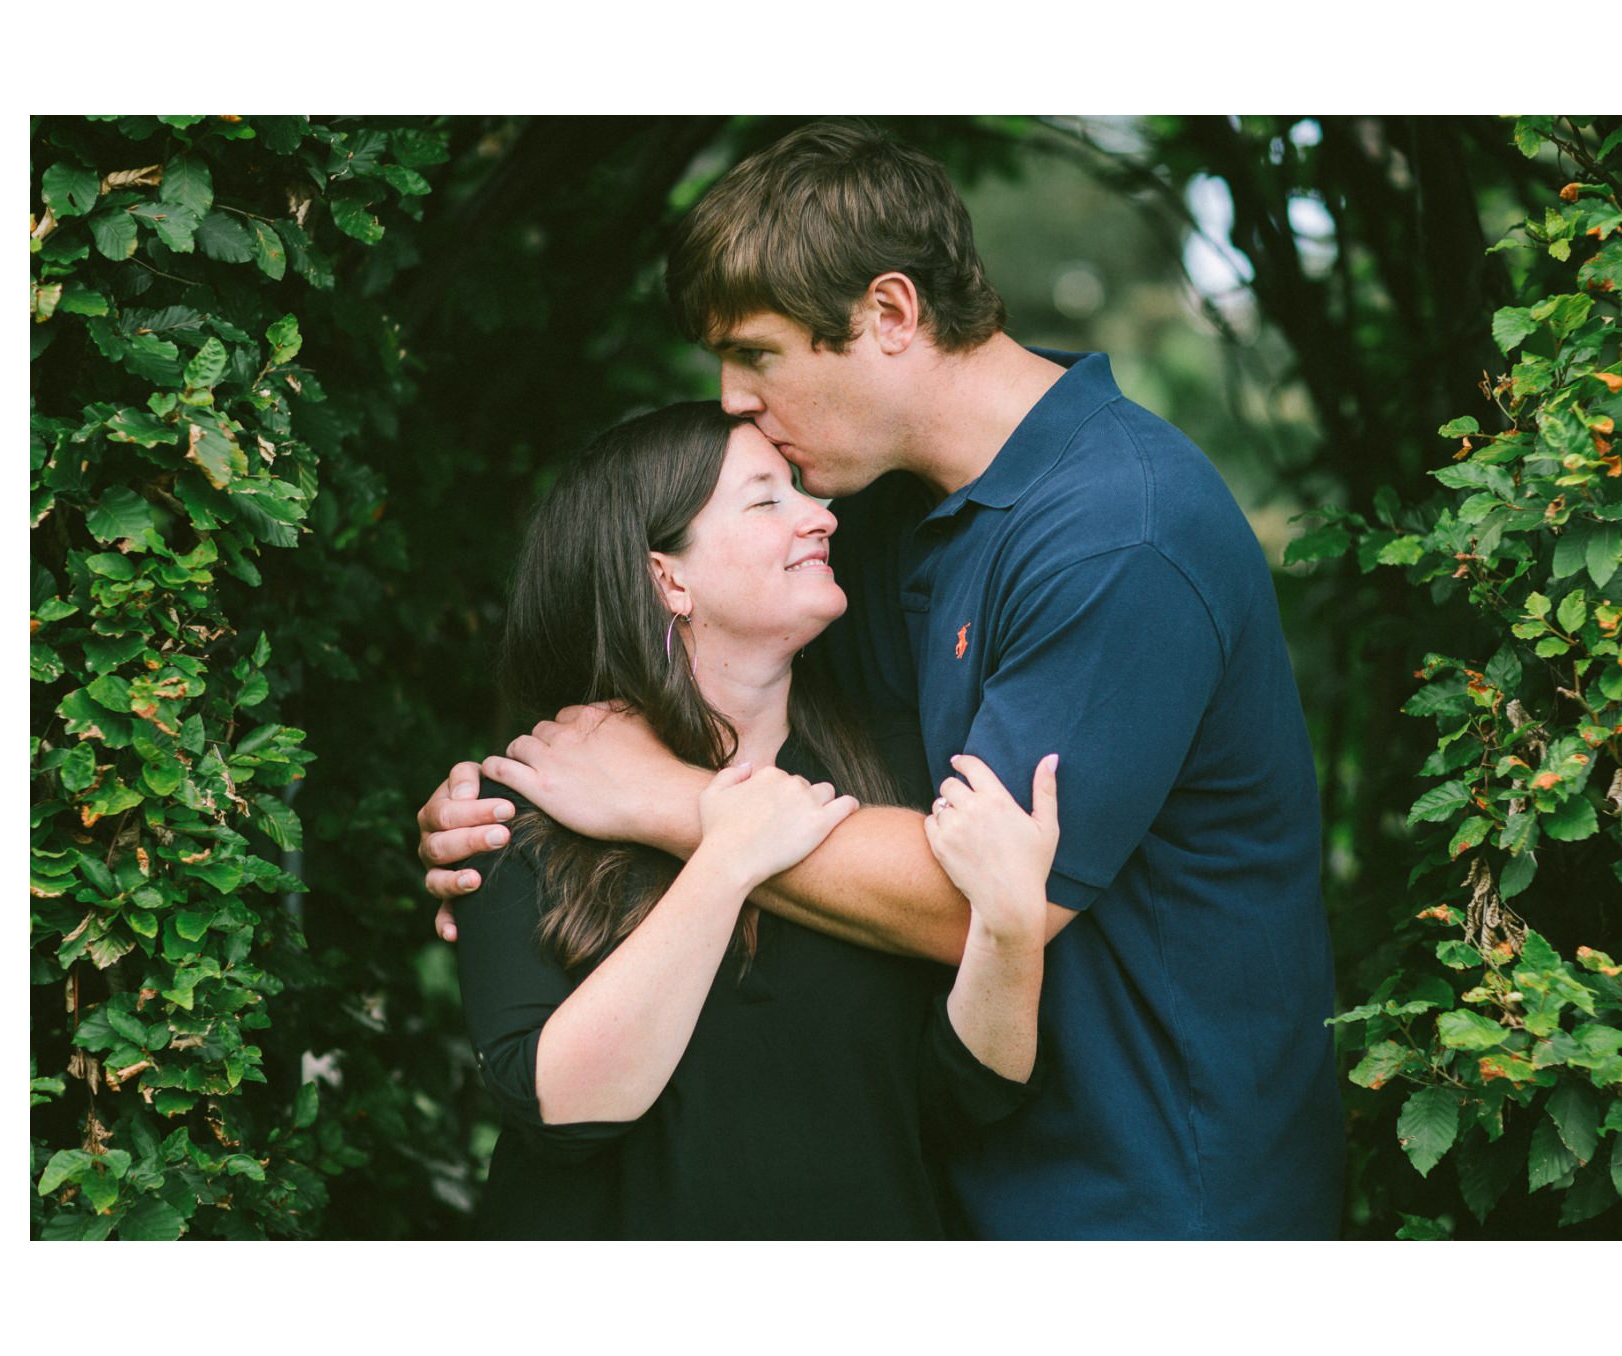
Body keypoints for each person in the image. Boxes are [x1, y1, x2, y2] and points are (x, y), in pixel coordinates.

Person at [421, 121, 1344, 1239]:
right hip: (957, 1190)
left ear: (891, 315)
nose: (732, 399)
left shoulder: (1117, 537)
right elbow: (719, 699)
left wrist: (654, 801)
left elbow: (977, 900)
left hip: (1146, 1192)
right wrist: (513, 819)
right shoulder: (879, 517)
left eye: (757, 354)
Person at [456, 400, 1058, 1239]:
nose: (822, 517)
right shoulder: (538, 803)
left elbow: (966, 1095)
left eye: (803, 491)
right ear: (669, 577)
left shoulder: (901, 767)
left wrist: (1011, 932)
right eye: (767, 499)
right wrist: (725, 853)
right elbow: (562, 1109)